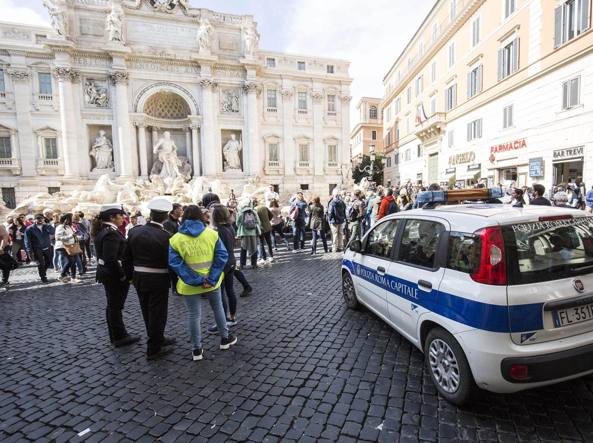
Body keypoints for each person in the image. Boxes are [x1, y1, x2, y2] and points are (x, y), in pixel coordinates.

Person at [169, 205, 237, 361]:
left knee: (194, 316)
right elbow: (221, 257)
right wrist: (210, 278)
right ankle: (225, 339)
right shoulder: (212, 234)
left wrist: (196, 280)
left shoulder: (175, 239)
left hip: (189, 285)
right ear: (201, 216)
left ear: (184, 217)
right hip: (212, 282)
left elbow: (175, 264)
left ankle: (197, 350)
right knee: (218, 309)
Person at [126, 198, 176, 360]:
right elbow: (170, 261)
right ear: (166, 217)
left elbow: (126, 257)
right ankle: (154, 348)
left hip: (139, 278)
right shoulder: (165, 236)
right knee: (158, 313)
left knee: (146, 310)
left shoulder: (134, 231)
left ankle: (158, 338)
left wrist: (129, 277)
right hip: (158, 279)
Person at [93, 204, 140, 348]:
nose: (123, 218)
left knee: (113, 306)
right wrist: (122, 276)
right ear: (112, 217)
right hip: (113, 275)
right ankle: (120, 336)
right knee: (115, 306)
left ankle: (116, 335)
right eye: (120, 216)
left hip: (107, 273)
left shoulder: (105, 231)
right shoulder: (111, 233)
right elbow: (111, 259)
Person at [210, 204, 239, 329]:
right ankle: (232, 317)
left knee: (221, 293)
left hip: (222, 264)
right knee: (230, 290)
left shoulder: (218, 231)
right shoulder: (230, 227)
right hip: (231, 261)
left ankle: (223, 321)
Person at [24, 214, 55, 283]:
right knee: (41, 263)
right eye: (38, 218)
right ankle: (43, 277)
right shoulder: (30, 228)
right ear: (35, 219)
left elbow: (52, 232)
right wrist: (29, 251)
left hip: (47, 247)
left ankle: (43, 271)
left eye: (41, 218)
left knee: (49, 261)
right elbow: (27, 241)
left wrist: (48, 224)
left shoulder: (46, 226)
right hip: (37, 248)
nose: (40, 220)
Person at [54, 213, 82, 284]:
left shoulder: (69, 227)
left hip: (70, 246)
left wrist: (78, 237)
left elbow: (72, 236)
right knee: (71, 261)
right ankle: (62, 275)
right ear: (67, 219)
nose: (72, 220)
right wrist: (70, 236)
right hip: (62, 247)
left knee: (73, 262)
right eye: (71, 218)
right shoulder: (60, 227)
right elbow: (58, 238)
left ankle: (72, 277)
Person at [236, 199, 261, 269]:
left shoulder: (240, 212)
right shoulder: (254, 212)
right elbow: (258, 222)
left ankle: (242, 264)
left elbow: (237, 223)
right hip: (253, 233)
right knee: (254, 248)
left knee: (243, 248)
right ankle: (254, 264)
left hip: (244, 233)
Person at [254, 198, 274, 263]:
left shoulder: (254, 210)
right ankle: (271, 256)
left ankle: (263, 258)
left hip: (260, 228)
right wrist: (267, 221)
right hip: (268, 227)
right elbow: (271, 215)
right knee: (269, 242)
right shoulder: (264, 207)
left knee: (261, 243)